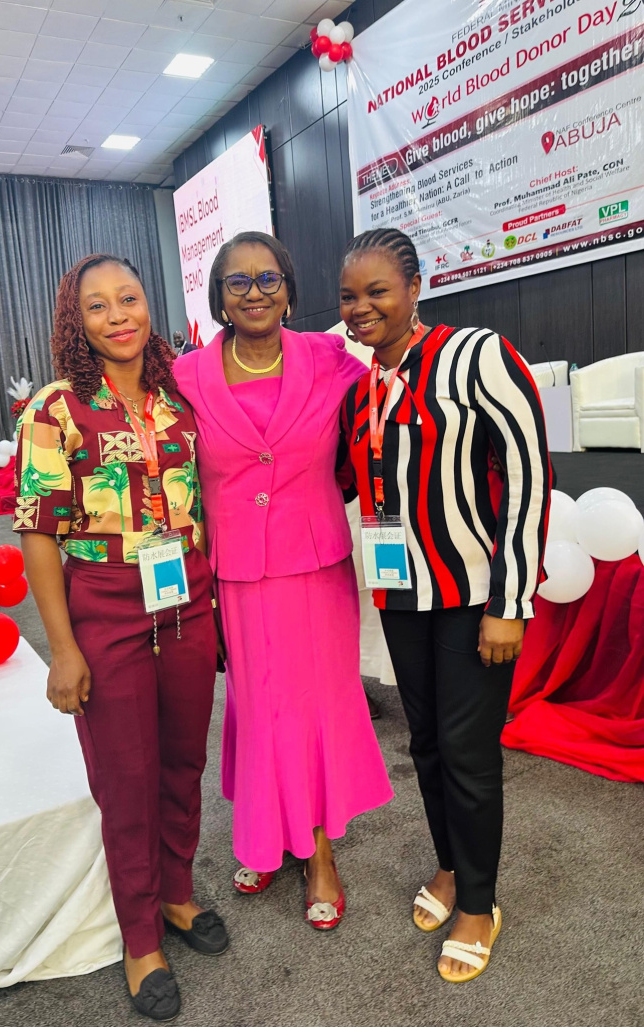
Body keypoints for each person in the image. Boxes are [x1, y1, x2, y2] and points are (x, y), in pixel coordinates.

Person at [14, 254, 227, 1023]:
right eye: (98, 305)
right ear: (77, 320)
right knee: (126, 775)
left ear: (147, 304)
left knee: (184, 760)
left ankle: (176, 892)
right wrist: (63, 648)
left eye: (129, 298)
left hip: (187, 600)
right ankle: (140, 936)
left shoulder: (179, 397)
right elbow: (38, 533)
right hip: (105, 605)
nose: (118, 316)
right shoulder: (56, 408)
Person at [339, 228, 550, 982]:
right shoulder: (361, 389)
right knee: (425, 742)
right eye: (348, 297)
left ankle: (480, 904)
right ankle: (454, 867)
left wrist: (510, 600)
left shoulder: (475, 354)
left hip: (472, 593)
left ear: (415, 287)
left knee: (467, 750)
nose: (360, 308)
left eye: (377, 291)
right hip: (402, 593)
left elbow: (529, 473)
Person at [174, 231, 393, 930]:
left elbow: (386, 420)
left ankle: (319, 849)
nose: (254, 292)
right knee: (259, 705)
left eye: (268, 278)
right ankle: (267, 833)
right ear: (219, 298)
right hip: (238, 572)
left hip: (317, 566)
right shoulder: (187, 377)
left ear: (290, 291)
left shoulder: (330, 360)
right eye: (236, 281)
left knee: (318, 706)